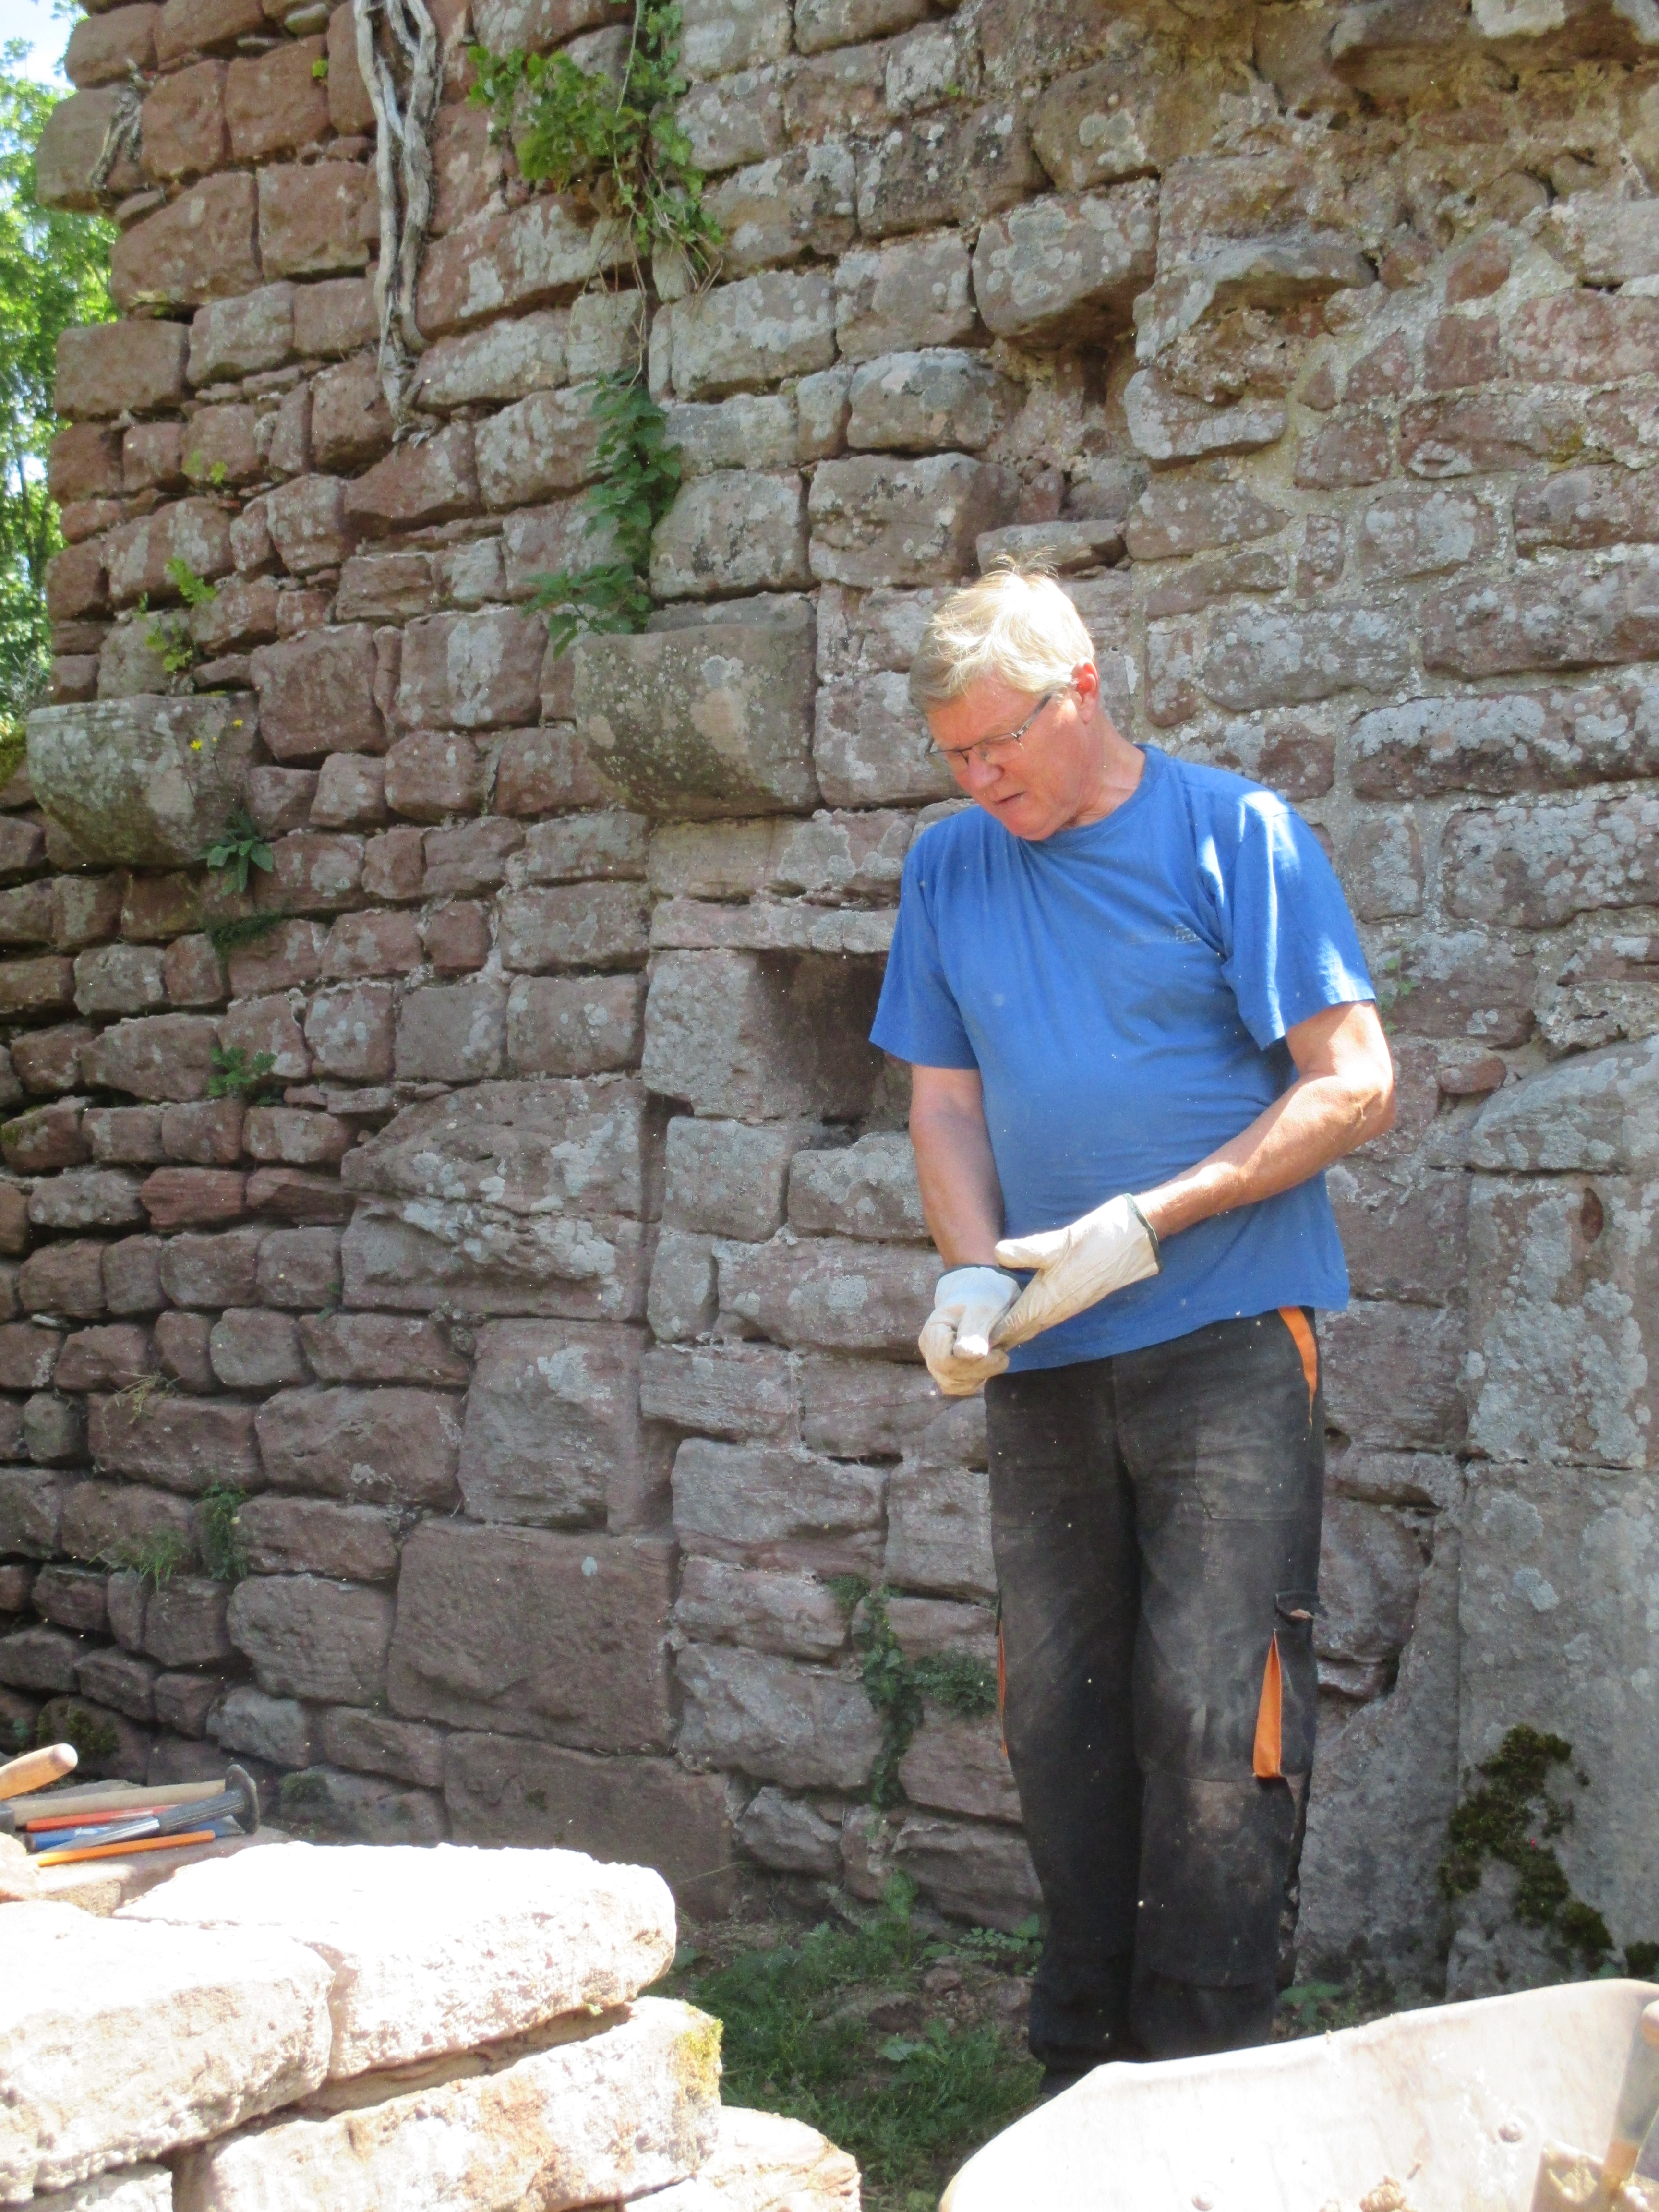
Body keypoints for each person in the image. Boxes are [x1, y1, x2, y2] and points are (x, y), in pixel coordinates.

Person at [868, 568, 1396, 2082]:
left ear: (1081, 690)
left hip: (1228, 1339)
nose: (982, 780)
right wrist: (972, 1276)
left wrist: (1154, 1221)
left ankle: (1208, 2085)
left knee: (1219, 1716)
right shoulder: (950, 867)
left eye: (1001, 745)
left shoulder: (1237, 833)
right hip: (1045, 1354)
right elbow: (945, 1103)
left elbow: (1356, 1080)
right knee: (1059, 1723)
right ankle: (1080, 2078)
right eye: (955, 757)